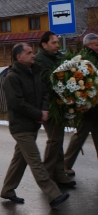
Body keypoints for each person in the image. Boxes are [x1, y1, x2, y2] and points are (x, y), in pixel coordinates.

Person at [0, 43, 69, 208]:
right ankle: (53, 194)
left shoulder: (34, 71)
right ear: (19, 57)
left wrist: (44, 110)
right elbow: (18, 104)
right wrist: (38, 114)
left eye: (33, 52)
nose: (33, 55)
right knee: (35, 161)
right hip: (21, 127)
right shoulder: (12, 78)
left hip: (33, 124)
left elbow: (45, 92)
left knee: (20, 160)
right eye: (29, 53)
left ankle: (8, 190)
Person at [34, 31, 76, 188]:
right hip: (47, 105)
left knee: (58, 139)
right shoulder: (39, 60)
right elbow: (47, 81)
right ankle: (46, 175)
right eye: (54, 43)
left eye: (58, 42)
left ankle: (59, 175)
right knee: (55, 139)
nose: (57, 45)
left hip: (59, 103)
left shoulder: (58, 58)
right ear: (44, 45)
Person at [64, 33, 98, 175]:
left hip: (95, 106)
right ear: (88, 45)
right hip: (88, 107)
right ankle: (65, 165)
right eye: (96, 44)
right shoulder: (83, 60)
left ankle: (65, 165)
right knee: (79, 137)